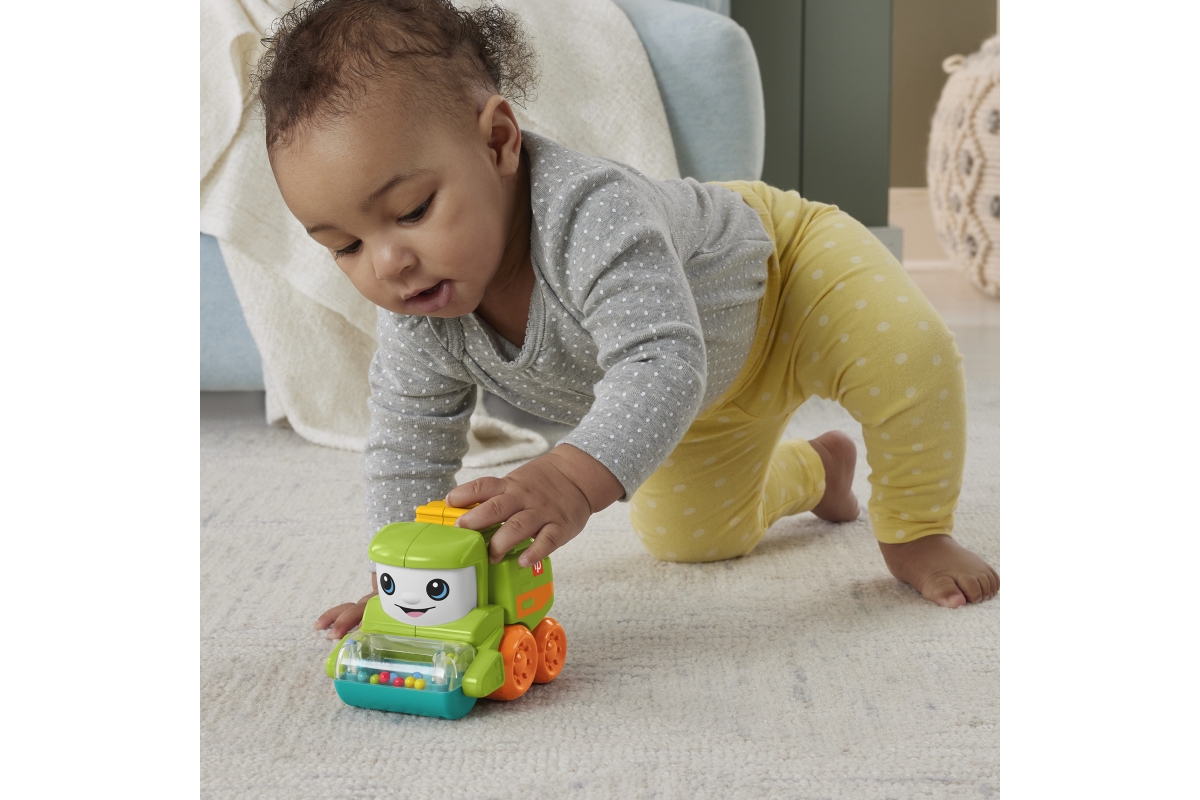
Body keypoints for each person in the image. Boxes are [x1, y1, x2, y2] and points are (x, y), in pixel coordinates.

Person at [251, 0, 999, 641]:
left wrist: (569, 478)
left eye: (412, 210)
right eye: (345, 246)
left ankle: (917, 531)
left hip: (786, 278)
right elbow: (406, 448)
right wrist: (400, 587)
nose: (387, 264)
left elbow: (660, 362)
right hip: (694, 401)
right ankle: (817, 470)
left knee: (909, 354)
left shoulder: (589, 213)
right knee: (693, 538)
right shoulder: (422, 317)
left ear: (498, 141)